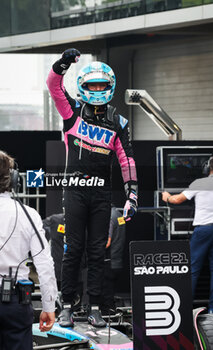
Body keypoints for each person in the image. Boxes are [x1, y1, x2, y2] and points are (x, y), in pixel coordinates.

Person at [46, 48, 138, 327]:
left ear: (110, 87)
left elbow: (127, 160)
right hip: (74, 191)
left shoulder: (118, 122)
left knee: (98, 252)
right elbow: (53, 86)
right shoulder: (71, 111)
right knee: (73, 250)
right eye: (91, 85)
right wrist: (62, 64)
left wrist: (132, 194)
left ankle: (95, 306)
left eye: (102, 85)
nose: (97, 90)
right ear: (82, 87)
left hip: (101, 194)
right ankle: (67, 306)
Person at [0, 150, 58, 350]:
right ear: (14, 180)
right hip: (15, 303)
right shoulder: (29, 214)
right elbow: (44, 264)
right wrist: (49, 306)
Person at [162, 155, 213, 313]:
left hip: (202, 230)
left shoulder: (199, 183)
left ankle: (186, 308)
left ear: (207, 168)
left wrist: (167, 197)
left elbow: (178, 200)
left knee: (193, 269)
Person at [100, 204, 126, 315]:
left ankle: (109, 324)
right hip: (117, 261)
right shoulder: (119, 214)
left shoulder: (109, 217)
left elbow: (107, 242)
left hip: (108, 262)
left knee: (106, 298)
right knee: (109, 295)